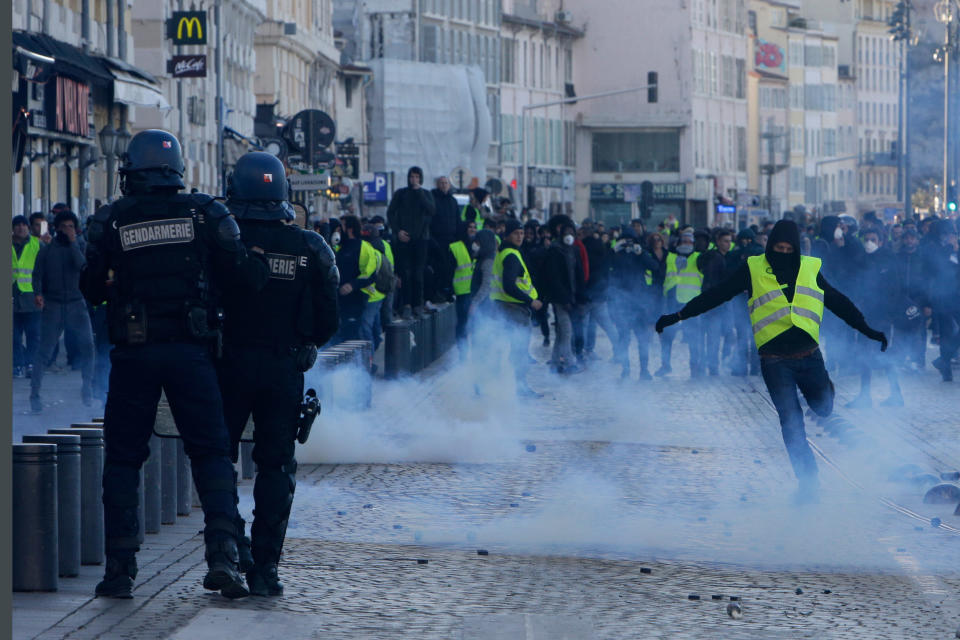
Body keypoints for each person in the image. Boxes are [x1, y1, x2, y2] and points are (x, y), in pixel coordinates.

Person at [80, 129, 270, 599]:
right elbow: (243, 279)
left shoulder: (113, 219)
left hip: (134, 354)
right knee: (211, 454)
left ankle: (120, 570)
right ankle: (223, 555)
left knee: (123, 459)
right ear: (177, 169)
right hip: (192, 352)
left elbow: (90, 289)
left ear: (132, 171)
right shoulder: (205, 214)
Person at [656, 220, 888, 503]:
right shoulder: (753, 268)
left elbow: (839, 302)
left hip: (810, 356)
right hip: (774, 361)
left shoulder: (810, 268)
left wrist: (868, 331)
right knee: (791, 423)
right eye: (778, 248)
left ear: (797, 249)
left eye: (789, 249)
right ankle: (809, 483)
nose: (783, 253)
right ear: (770, 246)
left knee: (824, 409)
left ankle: (827, 389)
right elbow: (717, 294)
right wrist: (678, 316)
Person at [219, 152, 339, 596]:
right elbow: (329, 319)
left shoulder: (224, 244)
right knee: (275, 468)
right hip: (284, 368)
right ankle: (265, 569)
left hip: (227, 365)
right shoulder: (310, 247)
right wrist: (304, 342)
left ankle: (234, 551)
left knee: (218, 462)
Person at [30, 209, 95, 412]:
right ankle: (35, 394)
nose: (67, 229)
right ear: (57, 228)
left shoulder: (80, 246)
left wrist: (74, 242)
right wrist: (38, 293)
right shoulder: (47, 250)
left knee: (88, 347)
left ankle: (88, 388)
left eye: (71, 226)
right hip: (54, 305)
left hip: (77, 303)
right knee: (44, 351)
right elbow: (37, 274)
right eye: (64, 226)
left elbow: (82, 266)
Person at [490, 218, 543, 397]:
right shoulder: (511, 255)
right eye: (516, 233)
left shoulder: (505, 252)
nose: (520, 236)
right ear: (508, 234)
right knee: (519, 351)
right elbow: (509, 286)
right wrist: (530, 301)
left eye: (521, 233)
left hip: (504, 307)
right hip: (514, 309)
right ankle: (520, 388)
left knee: (506, 348)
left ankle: (504, 385)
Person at [657, 230, 706, 378]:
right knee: (667, 337)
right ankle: (665, 366)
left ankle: (695, 369)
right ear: (678, 243)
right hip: (672, 302)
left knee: (693, 338)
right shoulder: (670, 257)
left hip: (691, 304)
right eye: (684, 241)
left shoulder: (698, 257)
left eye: (690, 242)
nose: (687, 244)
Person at [386, 166, 434, 318]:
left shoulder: (425, 194)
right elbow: (391, 213)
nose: (414, 180)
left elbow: (432, 210)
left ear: (420, 179)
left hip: (421, 239)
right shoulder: (401, 194)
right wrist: (397, 230)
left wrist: (419, 192)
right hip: (404, 238)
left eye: (416, 177)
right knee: (406, 273)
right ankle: (406, 305)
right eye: (412, 177)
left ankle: (417, 304)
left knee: (418, 273)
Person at [333, 215, 379, 344]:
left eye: (341, 226)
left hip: (357, 298)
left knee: (354, 335)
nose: (338, 230)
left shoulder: (364, 247)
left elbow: (370, 273)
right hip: (339, 299)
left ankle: (358, 363)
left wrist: (352, 285)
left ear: (350, 229)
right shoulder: (339, 247)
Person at [449, 221, 477, 360]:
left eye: (474, 227)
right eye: (469, 227)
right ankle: (463, 353)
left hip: (475, 291)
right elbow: (449, 270)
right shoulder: (455, 247)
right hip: (462, 292)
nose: (472, 230)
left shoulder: (477, 246)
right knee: (463, 323)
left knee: (476, 323)